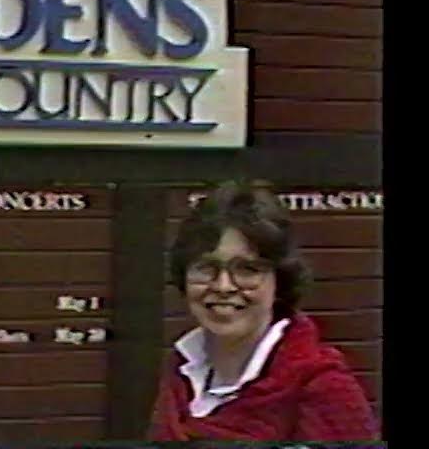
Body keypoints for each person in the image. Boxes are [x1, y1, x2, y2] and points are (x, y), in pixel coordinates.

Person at [148, 181, 378, 441]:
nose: (223, 286)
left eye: (247, 269)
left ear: (279, 280)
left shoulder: (323, 386)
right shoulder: (181, 374)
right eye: (206, 268)